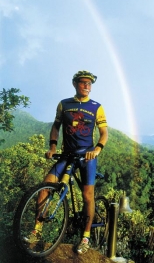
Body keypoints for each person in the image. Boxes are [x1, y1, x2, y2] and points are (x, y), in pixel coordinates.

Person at [24, 70, 108, 255]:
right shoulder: (64, 104)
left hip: (87, 157)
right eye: (83, 82)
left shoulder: (97, 107)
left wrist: (97, 150)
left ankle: (85, 237)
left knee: (87, 196)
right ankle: (36, 231)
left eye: (89, 83)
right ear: (75, 84)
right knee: (46, 186)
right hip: (67, 155)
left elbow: (104, 132)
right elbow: (56, 126)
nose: (87, 86)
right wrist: (52, 147)